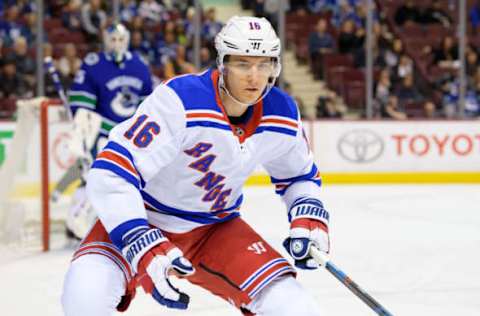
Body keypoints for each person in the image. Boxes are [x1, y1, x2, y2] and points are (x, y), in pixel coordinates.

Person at [61, 16, 330, 316]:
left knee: (295, 306)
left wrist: (308, 214)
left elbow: (299, 176)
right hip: (146, 217)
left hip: (215, 229)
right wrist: (137, 237)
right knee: (83, 298)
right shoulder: (181, 100)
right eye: (243, 64)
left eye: (264, 64)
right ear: (223, 63)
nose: (254, 77)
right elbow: (110, 171)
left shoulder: (282, 112)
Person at [51, 23, 153, 240]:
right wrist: (83, 127)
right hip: (101, 134)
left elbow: (148, 105)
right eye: (112, 39)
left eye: (120, 39)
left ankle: (114, 223)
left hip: (130, 137)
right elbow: (82, 103)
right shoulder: (94, 63)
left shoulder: (139, 65)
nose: (116, 44)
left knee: (127, 181)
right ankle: (74, 223)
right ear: (105, 40)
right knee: (91, 177)